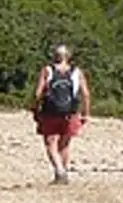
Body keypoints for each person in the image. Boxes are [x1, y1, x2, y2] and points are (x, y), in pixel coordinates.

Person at [31, 44, 89, 184]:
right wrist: (85, 113)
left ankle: (59, 171)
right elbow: (85, 94)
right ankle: (63, 174)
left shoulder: (47, 70)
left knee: (50, 143)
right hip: (71, 112)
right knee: (65, 144)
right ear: (69, 57)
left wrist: (35, 108)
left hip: (50, 112)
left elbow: (38, 93)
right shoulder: (77, 72)